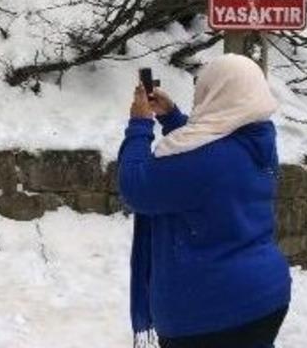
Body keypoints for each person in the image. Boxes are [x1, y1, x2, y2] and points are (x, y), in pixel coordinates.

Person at [118, 54, 291, 348]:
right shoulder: (257, 140)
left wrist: (139, 126)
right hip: (266, 297)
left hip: (210, 312)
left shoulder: (207, 161)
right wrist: (172, 117)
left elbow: (135, 186)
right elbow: (208, 150)